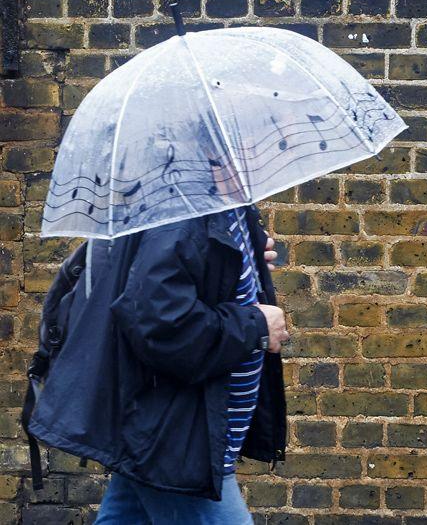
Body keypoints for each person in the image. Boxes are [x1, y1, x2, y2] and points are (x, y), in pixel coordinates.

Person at [30, 204, 289, 524]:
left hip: (168, 427)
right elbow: (160, 322)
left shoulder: (220, 207)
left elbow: (184, 283)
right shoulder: (182, 212)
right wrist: (256, 325)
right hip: (175, 435)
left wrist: (237, 257)